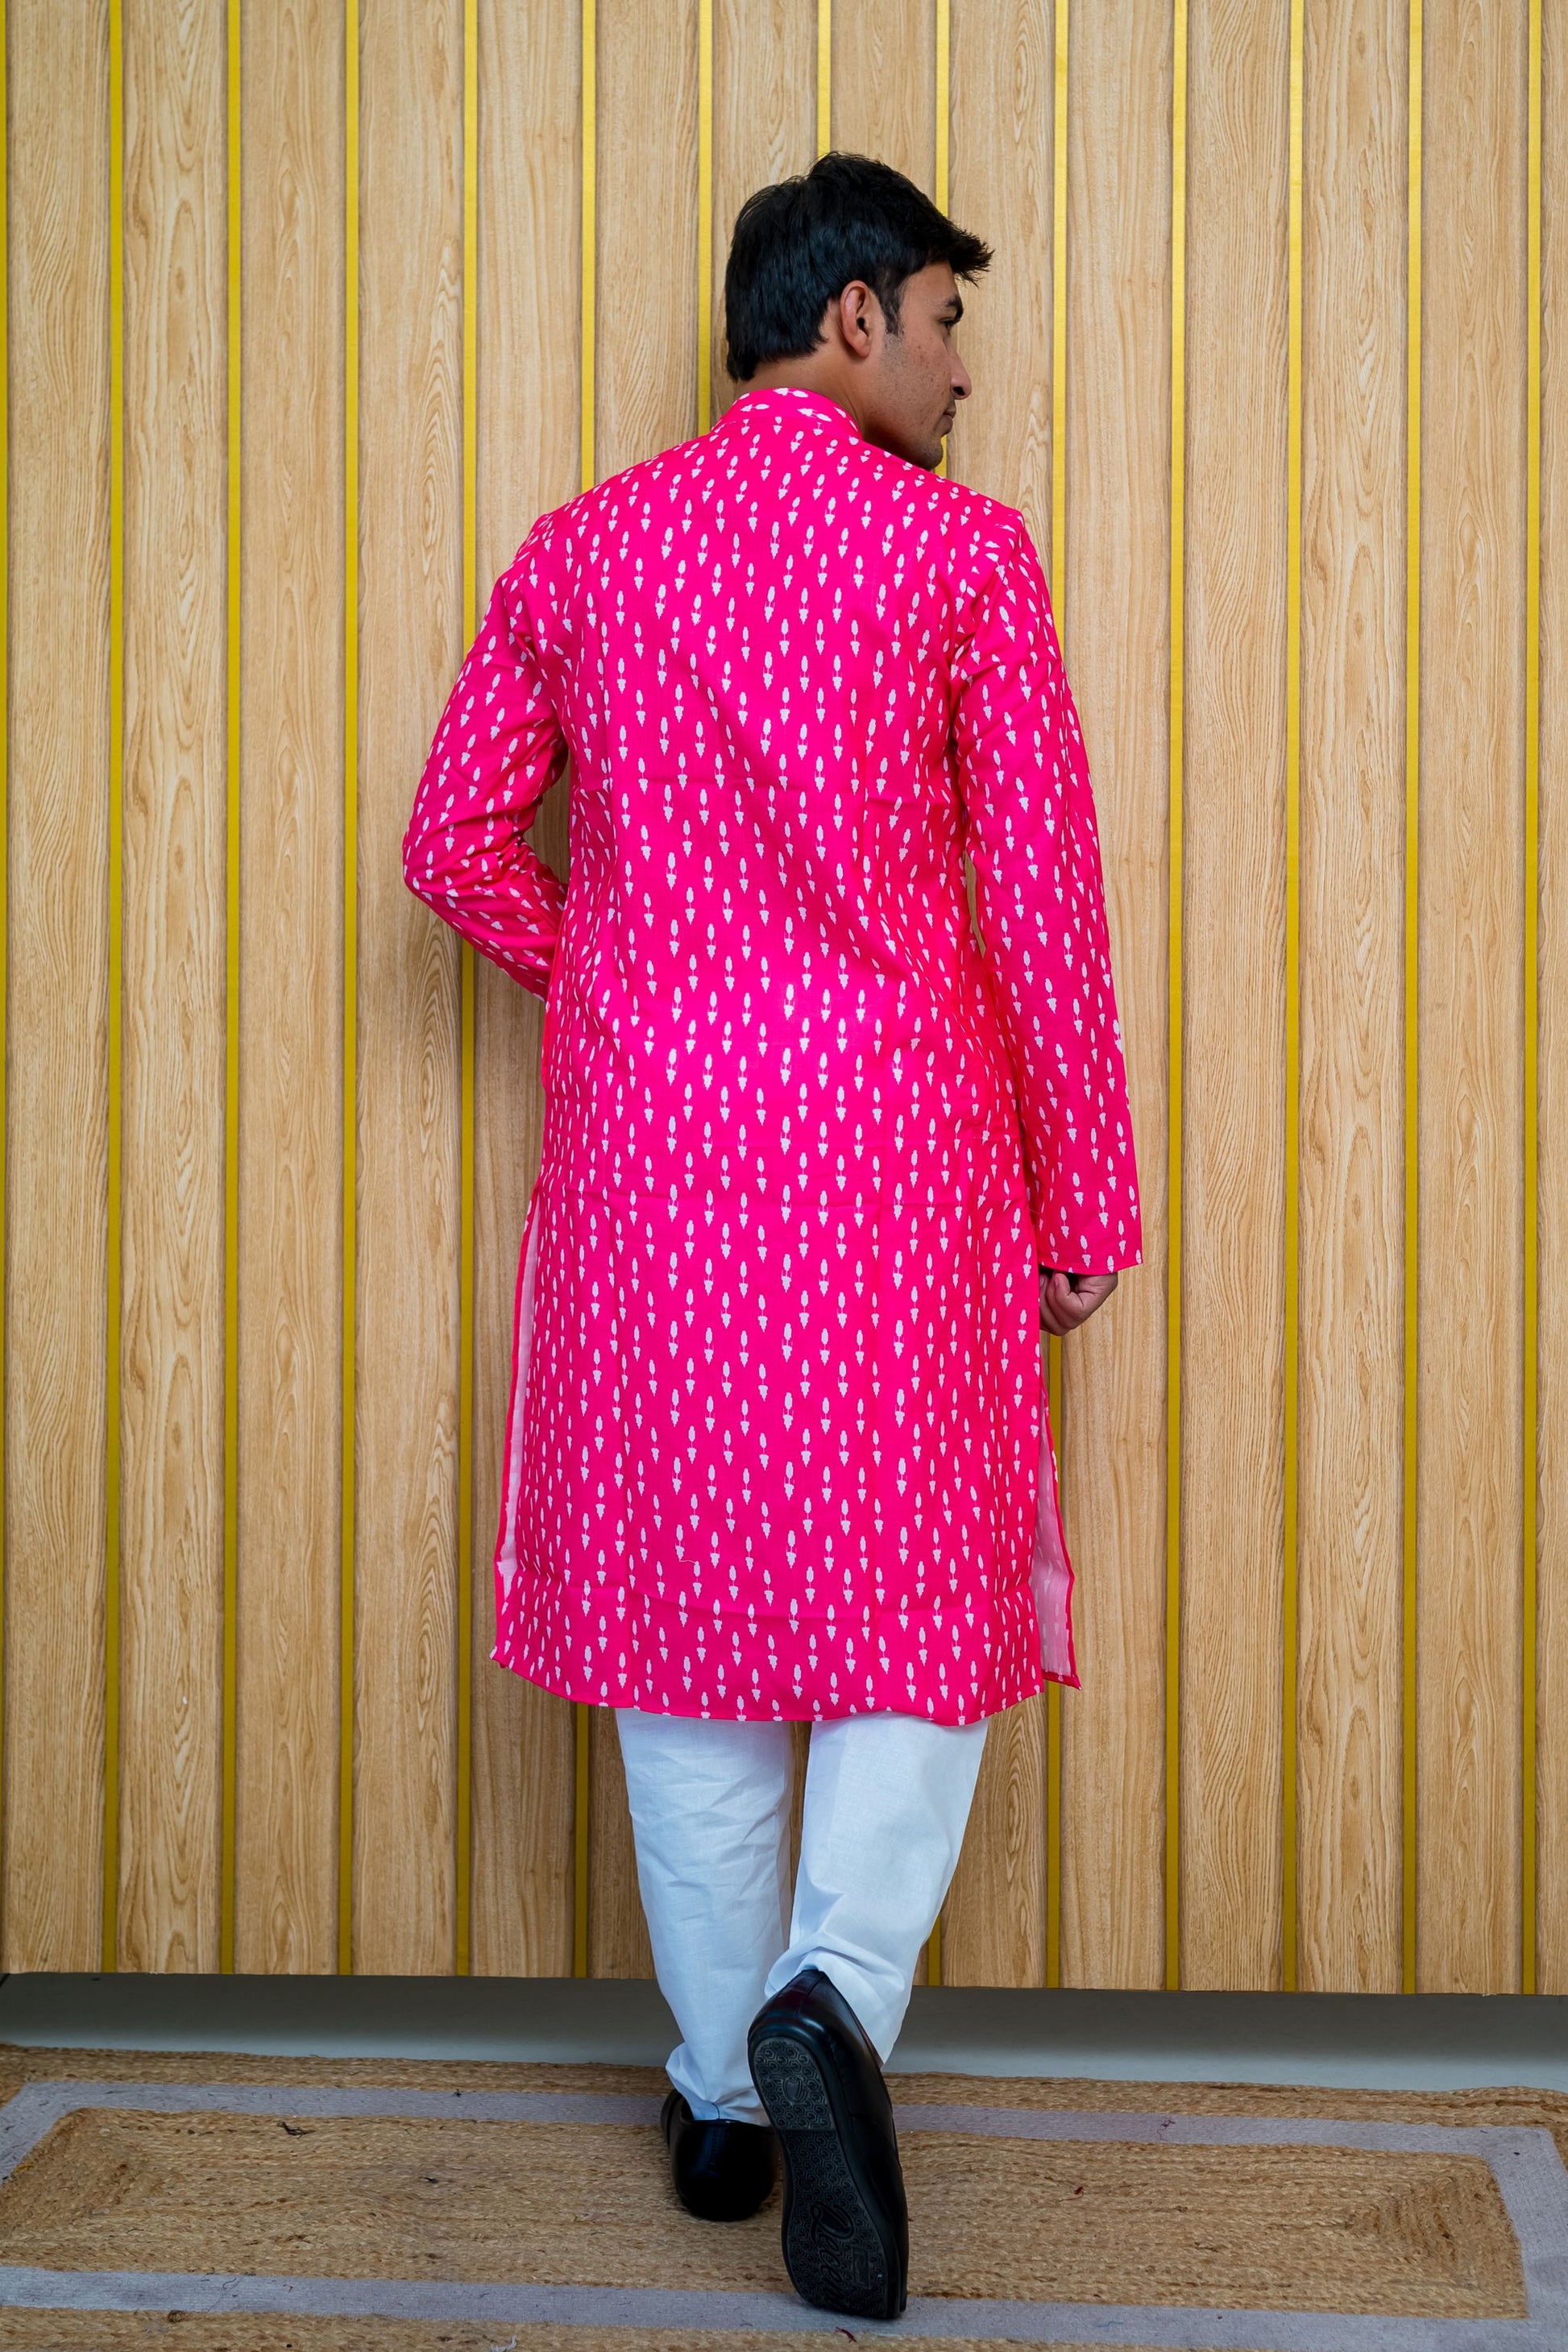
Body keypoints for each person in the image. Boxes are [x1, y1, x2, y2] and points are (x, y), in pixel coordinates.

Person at [404, 150, 1141, 2323]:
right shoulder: (960, 558)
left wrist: (623, 983)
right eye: (947, 323)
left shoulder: (585, 549)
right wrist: (1086, 1192)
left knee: (682, 1621)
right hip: (904, 1153)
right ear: (852, 317)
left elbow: (453, 841)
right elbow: (1044, 899)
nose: (963, 375)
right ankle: (836, 2001)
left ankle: (726, 2099)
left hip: (655, 1165)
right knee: (921, 1604)